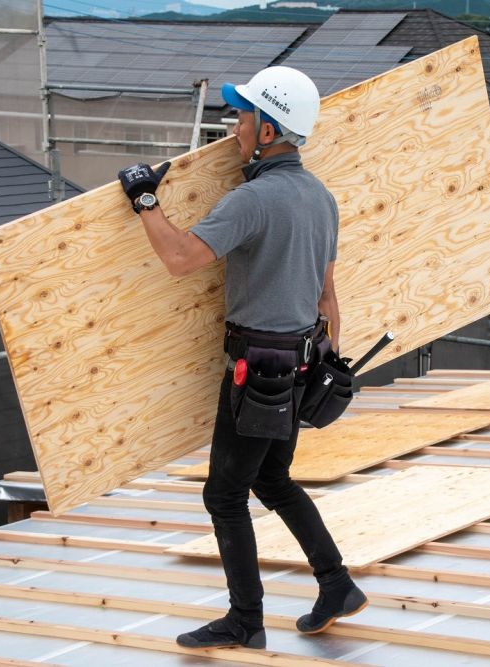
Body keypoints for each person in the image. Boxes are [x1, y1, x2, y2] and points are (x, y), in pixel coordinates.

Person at [117, 65, 366, 650]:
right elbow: (329, 296)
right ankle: (336, 585)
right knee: (273, 478)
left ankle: (245, 621)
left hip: (258, 370)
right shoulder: (320, 198)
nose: (235, 126)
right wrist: (322, 359)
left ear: (271, 129)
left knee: (224, 493)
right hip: (300, 359)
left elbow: (181, 260)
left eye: (244, 115)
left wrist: (145, 198)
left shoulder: (252, 200)